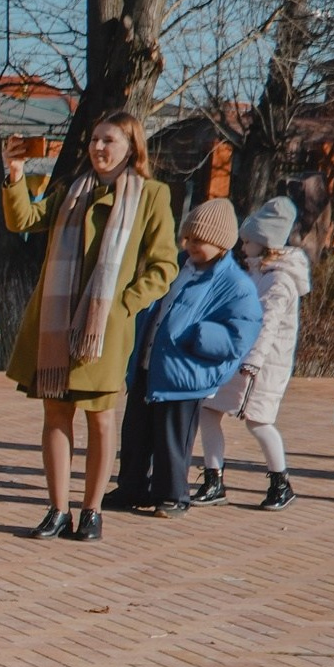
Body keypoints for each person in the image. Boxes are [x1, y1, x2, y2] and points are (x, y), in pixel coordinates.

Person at [3, 111, 179, 542]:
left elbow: (164, 264)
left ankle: (92, 511)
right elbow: (23, 221)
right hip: (55, 323)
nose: (99, 148)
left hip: (103, 329)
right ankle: (57, 509)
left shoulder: (151, 195)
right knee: (56, 414)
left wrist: (124, 304)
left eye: (110, 141)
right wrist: (15, 174)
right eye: (95, 139)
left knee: (101, 419)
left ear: (131, 147)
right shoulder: (71, 188)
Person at [111, 200, 261, 518]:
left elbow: (240, 335)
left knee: (172, 439)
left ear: (221, 243)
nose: (190, 245)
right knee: (135, 432)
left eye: (199, 240)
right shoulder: (176, 267)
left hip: (186, 374)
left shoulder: (235, 284)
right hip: (148, 365)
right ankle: (131, 487)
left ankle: (173, 496)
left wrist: (199, 336)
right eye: (188, 238)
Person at [195, 197, 310, 510]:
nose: (242, 246)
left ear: (266, 242)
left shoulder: (279, 279)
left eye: (248, 241)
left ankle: (280, 481)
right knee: (208, 411)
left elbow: (268, 325)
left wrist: (253, 362)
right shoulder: (255, 272)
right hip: (238, 358)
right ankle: (214, 478)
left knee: (258, 422)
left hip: (262, 364)